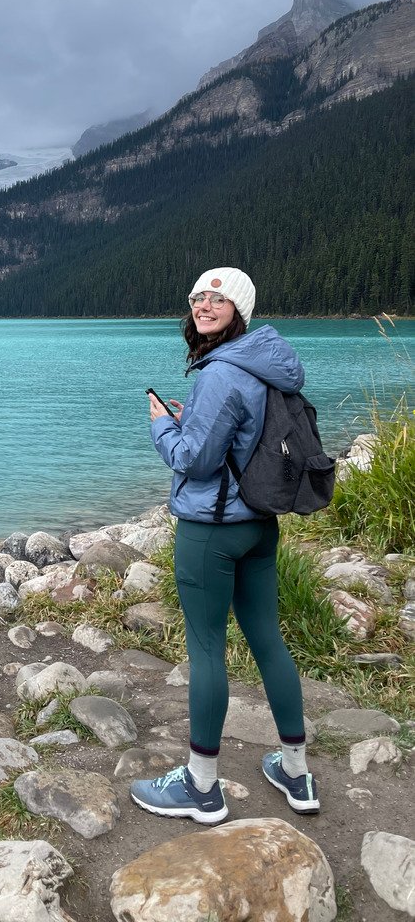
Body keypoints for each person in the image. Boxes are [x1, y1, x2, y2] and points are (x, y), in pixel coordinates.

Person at [130, 267, 319, 825]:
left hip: (211, 532)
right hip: (260, 523)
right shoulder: (268, 364)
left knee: (207, 649)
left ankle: (201, 787)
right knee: (268, 642)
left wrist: (162, 426)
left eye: (217, 298)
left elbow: (195, 460)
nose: (204, 305)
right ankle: (295, 771)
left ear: (240, 307)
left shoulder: (220, 374)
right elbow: (242, 435)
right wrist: (198, 425)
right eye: (197, 297)